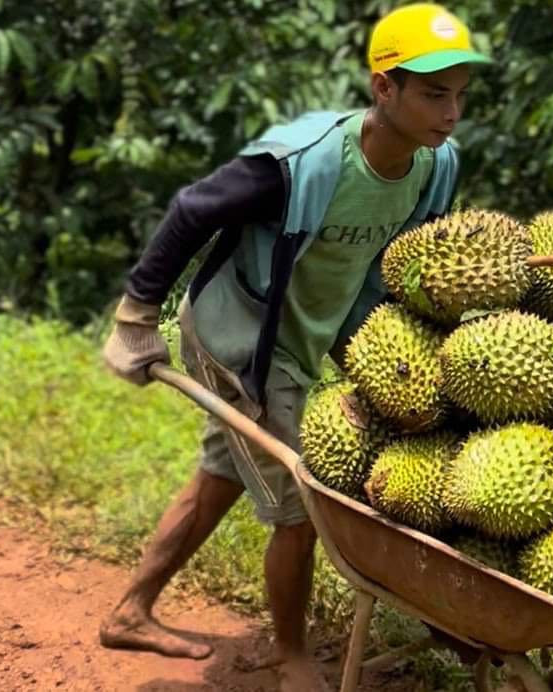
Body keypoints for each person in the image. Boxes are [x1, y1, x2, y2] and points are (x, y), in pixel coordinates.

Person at [98, 4, 491, 690]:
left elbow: (408, 267)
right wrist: (137, 314)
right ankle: (291, 655)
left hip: (310, 337)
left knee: (223, 471)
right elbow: (193, 209)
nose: (451, 112)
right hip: (239, 338)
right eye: (434, 93)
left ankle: (130, 611)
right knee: (300, 498)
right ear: (384, 88)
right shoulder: (302, 162)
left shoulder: (435, 166)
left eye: (460, 95)